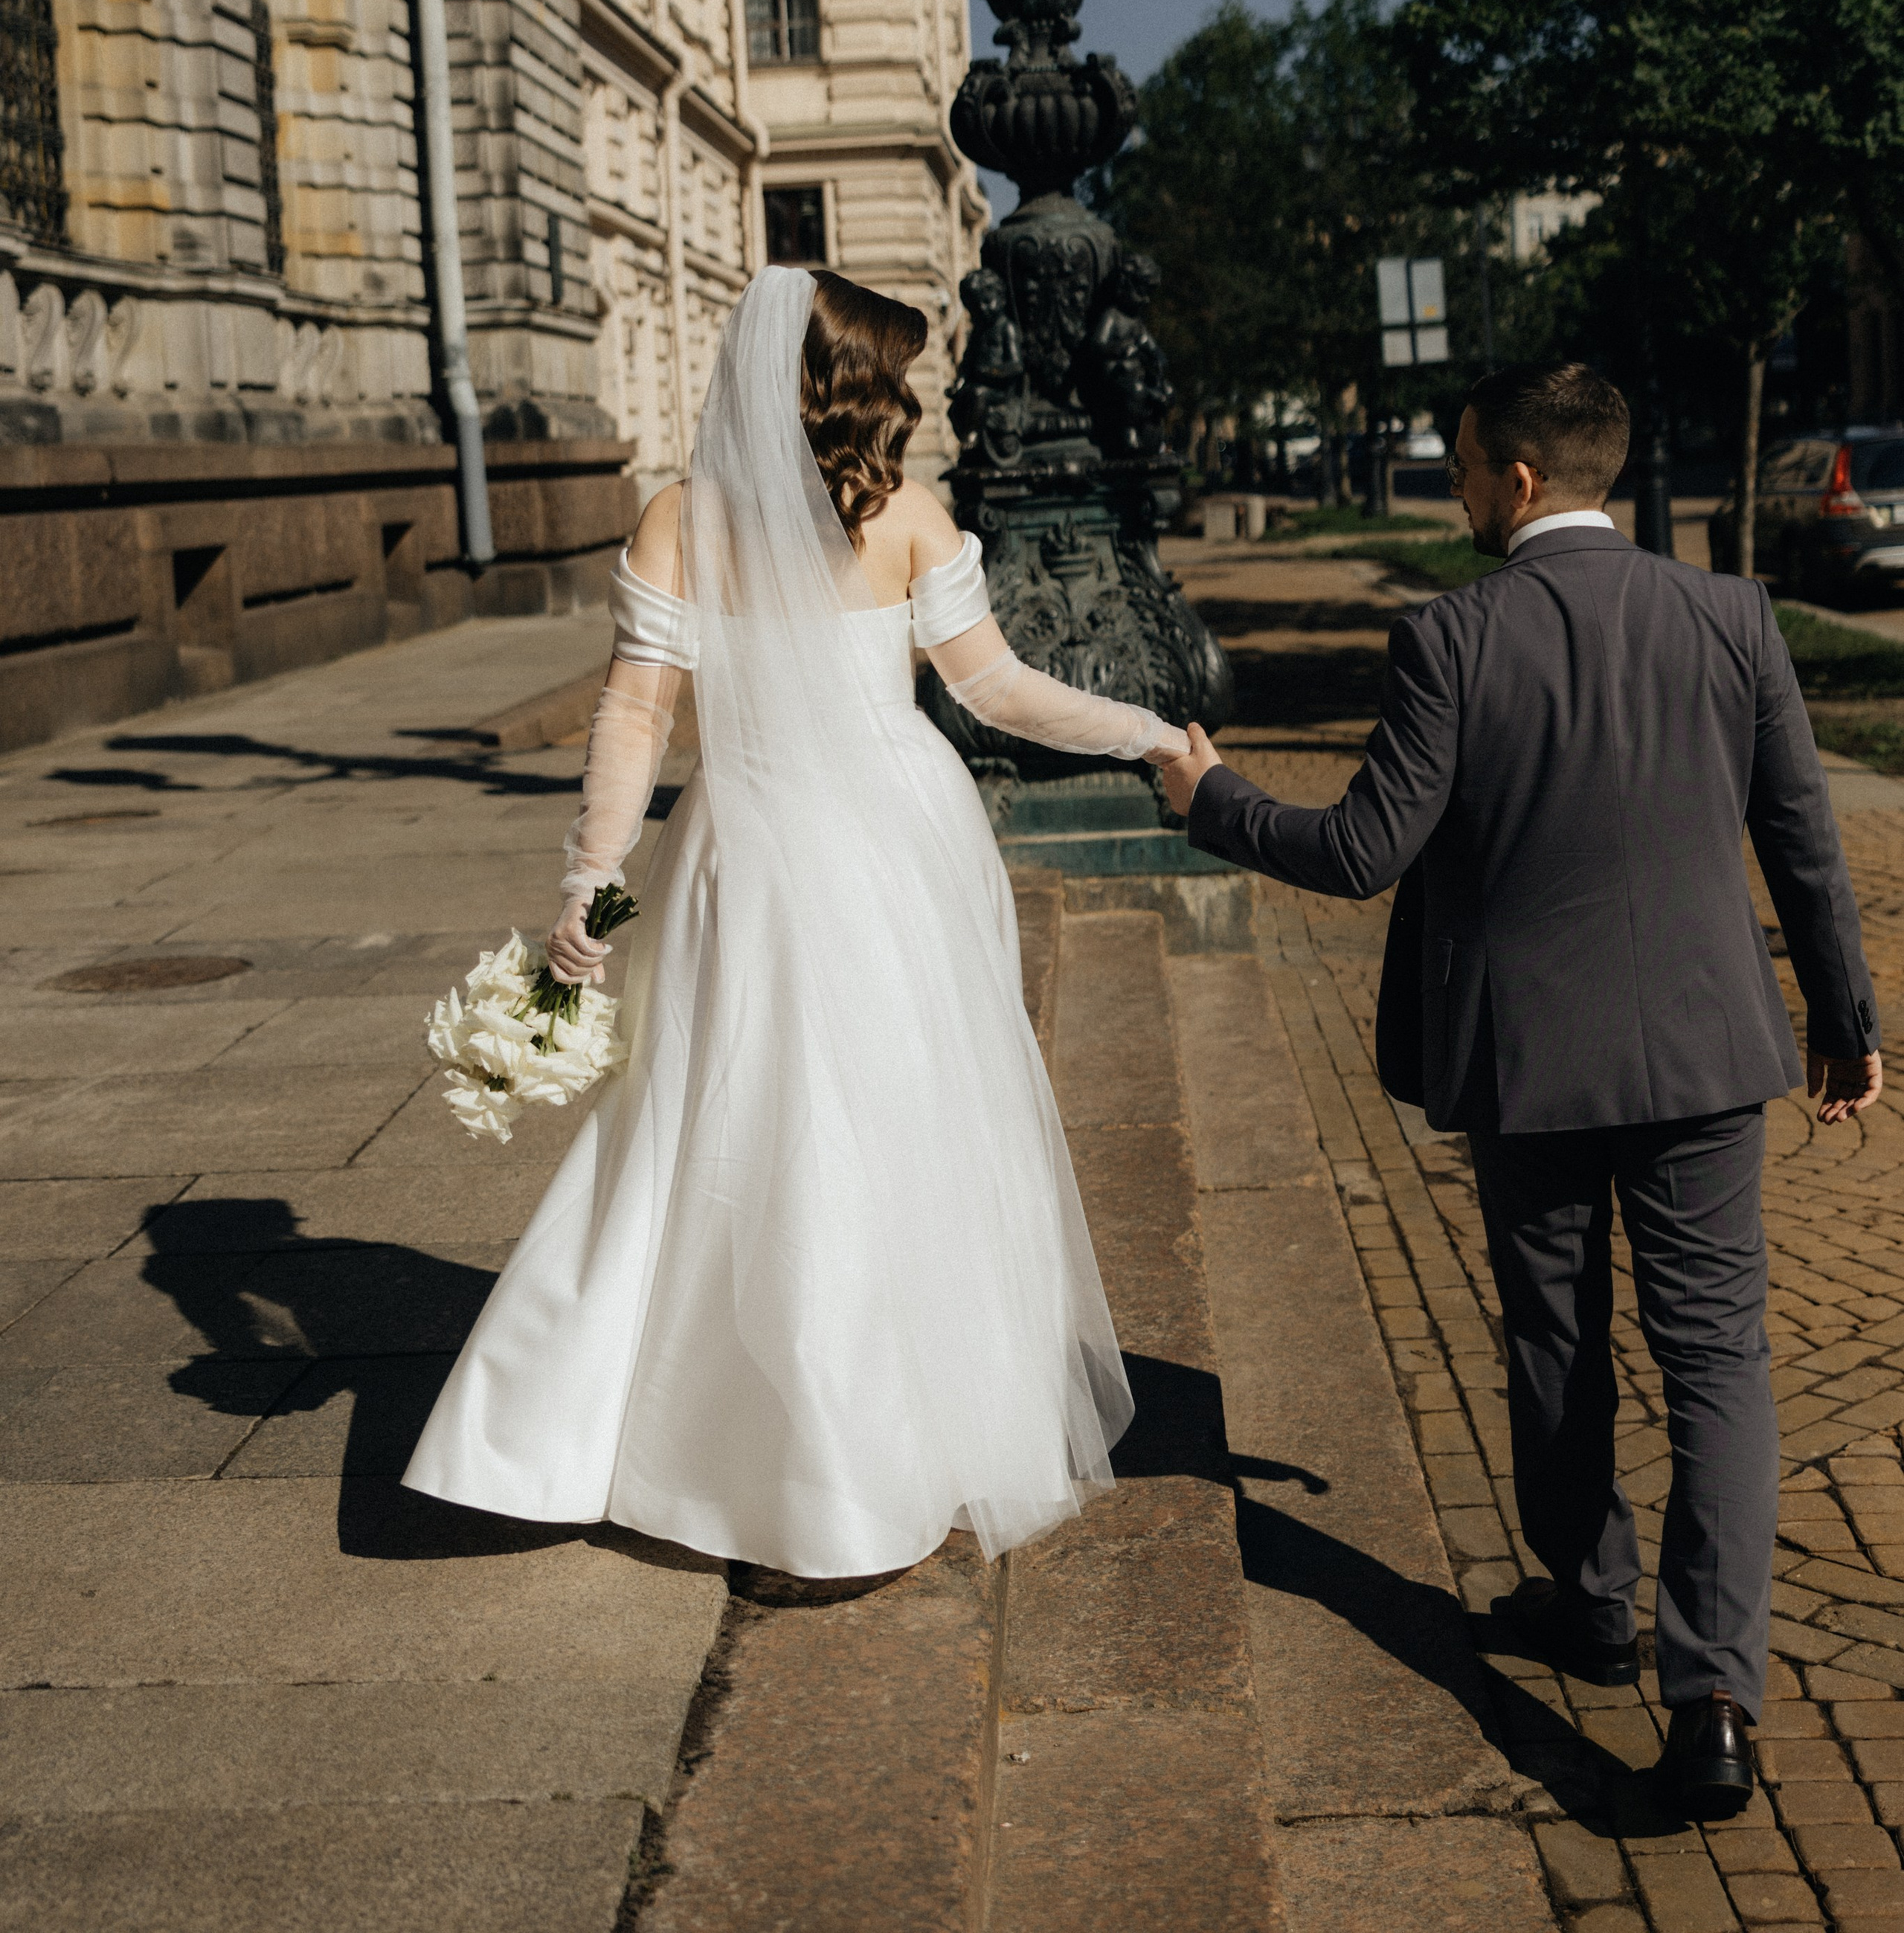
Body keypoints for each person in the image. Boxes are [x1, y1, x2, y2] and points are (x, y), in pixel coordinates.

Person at [1154, 360, 1881, 1820]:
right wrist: (1842, 1018)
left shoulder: (1451, 635)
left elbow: (1362, 850)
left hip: (1528, 1060)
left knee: (1553, 1329)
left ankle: (1590, 1600)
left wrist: (1211, 798)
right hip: (1703, 1053)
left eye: (1466, 466)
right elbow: (1801, 835)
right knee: (1716, 1357)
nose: (1459, 490)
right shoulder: (1732, 615)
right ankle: (1713, 1700)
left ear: (1521, 478)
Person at [405, 266, 1187, 1580]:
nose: (916, 393)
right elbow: (999, 693)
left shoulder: (681, 519)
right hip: (896, 848)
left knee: (740, 1128)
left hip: (751, 852)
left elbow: (636, 716)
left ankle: (764, 1458)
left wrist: (593, 884)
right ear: (855, 386)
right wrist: (1148, 731)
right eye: (898, 372)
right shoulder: (909, 516)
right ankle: (871, 1457)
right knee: (893, 1126)